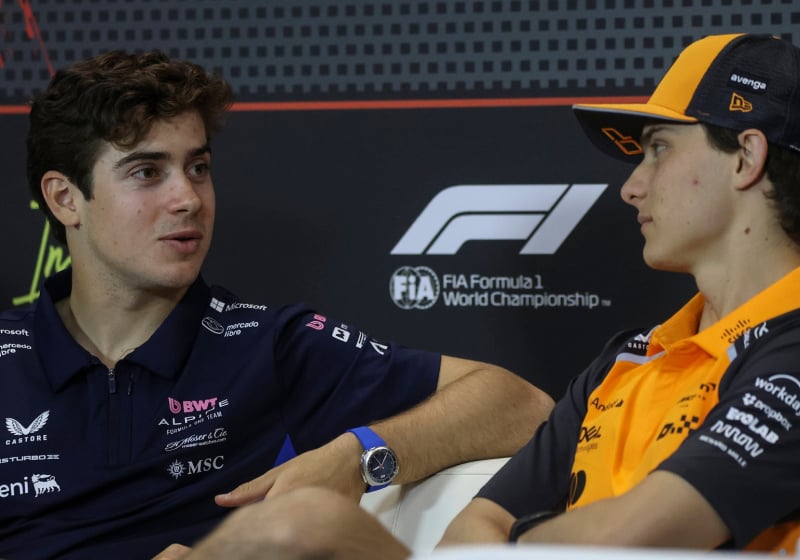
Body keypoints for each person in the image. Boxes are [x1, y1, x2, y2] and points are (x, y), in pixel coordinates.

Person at [165, 32, 800, 559]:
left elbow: (629, 540)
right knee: (302, 525)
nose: (632, 187)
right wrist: (519, 540)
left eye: (658, 149)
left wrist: (514, 540)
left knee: (294, 528)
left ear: (745, 156)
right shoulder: (629, 356)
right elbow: (469, 531)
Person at [0, 50, 554, 560]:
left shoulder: (268, 343)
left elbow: (524, 405)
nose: (188, 198)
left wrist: (359, 456)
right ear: (65, 198)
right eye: (147, 172)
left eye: (198, 167)